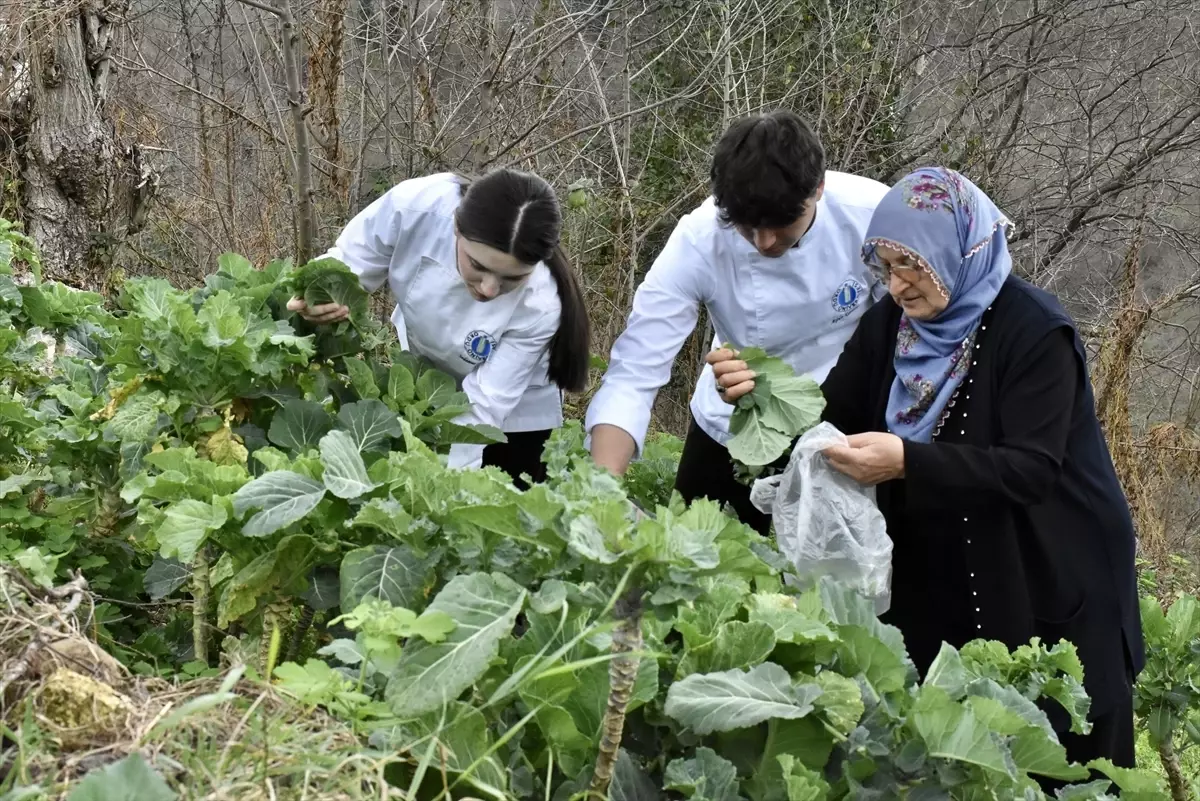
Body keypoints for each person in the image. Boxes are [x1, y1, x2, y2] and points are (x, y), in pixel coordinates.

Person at [711, 167, 1145, 767]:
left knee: (1056, 748)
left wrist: (908, 461)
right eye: (885, 268)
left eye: (912, 265)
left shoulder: (1034, 333)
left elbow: (1030, 470)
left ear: (956, 251)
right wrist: (761, 392)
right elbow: (831, 415)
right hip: (942, 566)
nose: (897, 286)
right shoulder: (893, 326)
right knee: (946, 746)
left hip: (1044, 564)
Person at [585, 110, 890, 534]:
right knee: (692, 558)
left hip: (836, 424)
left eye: (782, 226)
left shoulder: (872, 214)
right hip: (729, 422)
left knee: (817, 582)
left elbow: (899, 336)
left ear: (818, 188)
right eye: (748, 228)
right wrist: (603, 488)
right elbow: (635, 370)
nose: (765, 243)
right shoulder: (698, 240)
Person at [288, 168, 590, 485]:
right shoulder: (416, 205)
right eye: (478, 265)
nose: (489, 288)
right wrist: (321, 295)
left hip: (512, 415)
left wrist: (448, 489)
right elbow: (350, 262)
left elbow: (483, 409)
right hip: (430, 380)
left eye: (511, 279)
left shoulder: (541, 303)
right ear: (457, 228)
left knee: (500, 503)